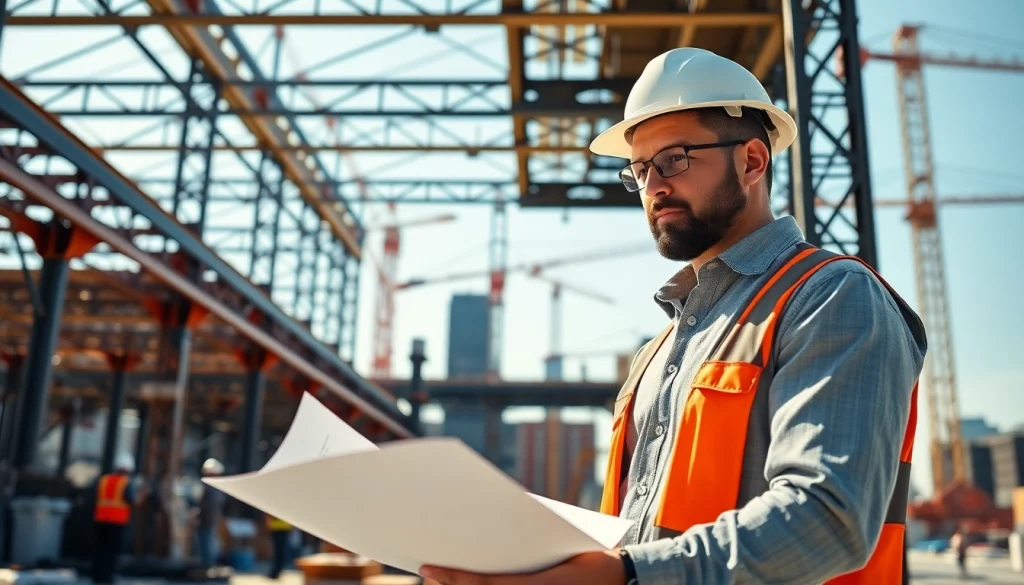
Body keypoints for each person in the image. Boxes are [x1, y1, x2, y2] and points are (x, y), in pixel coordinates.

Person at [419, 47, 927, 585]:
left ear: (752, 161)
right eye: (639, 170)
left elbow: (827, 521)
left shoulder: (830, 296)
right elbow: (638, 536)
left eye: (674, 160)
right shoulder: (656, 353)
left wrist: (623, 575)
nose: (654, 187)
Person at [92, 454, 140, 585]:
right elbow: (131, 500)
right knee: (111, 551)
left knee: (99, 549)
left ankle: (97, 576)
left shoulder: (103, 480)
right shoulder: (125, 482)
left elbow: (94, 497)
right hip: (116, 521)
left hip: (100, 519)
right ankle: (107, 577)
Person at [194, 458, 226, 566]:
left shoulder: (210, 489)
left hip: (206, 522)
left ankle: (207, 566)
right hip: (211, 521)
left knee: (206, 547)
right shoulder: (216, 489)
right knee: (209, 546)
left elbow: (204, 505)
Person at [266, 514, 293, 579]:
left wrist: (269, 524)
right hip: (280, 527)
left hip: (279, 527)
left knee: (279, 551)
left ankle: (276, 571)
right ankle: (277, 571)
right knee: (280, 551)